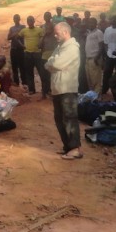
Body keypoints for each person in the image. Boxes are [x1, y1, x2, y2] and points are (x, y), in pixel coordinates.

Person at [46, 21, 82, 159]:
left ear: (66, 32)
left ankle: (75, 148)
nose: (55, 35)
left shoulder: (72, 48)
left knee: (69, 119)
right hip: (58, 88)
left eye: (57, 33)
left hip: (67, 88)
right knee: (60, 119)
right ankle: (68, 147)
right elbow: (49, 62)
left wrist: (52, 62)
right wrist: (52, 62)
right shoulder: (61, 46)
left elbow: (55, 63)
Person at [100, 14, 116, 98]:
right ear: (110, 20)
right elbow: (105, 42)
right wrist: (107, 51)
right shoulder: (107, 30)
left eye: (115, 19)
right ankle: (104, 89)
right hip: (109, 55)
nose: (113, 21)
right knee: (107, 72)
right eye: (111, 19)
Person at [19, 15, 44, 95]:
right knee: (29, 73)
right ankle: (31, 90)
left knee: (41, 72)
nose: (30, 22)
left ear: (34, 21)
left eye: (31, 21)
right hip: (27, 54)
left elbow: (43, 38)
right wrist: (22, 45)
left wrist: (41, 47)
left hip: (37, 54)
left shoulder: (39, 30)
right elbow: (17, 37)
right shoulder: (24, 31)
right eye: (28, 21)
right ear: (27, 22)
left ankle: (44, 90)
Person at [83, 17, 104, 92]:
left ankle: (97, 98)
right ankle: (92, 97)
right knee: (90, 80)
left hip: (95, 59)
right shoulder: (89, 33)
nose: (90, 24)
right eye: (89, 23)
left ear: (96, 24)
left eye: (92, 23)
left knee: (96, 80)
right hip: (88, 59)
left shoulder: (99, 32)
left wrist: (97, 58)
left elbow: (102, 46)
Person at [39, 12, 56, 99]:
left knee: (52, 74)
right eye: (45, 16)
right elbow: (40, 42)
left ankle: (52, 92)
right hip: (45, 53)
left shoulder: (54, 26)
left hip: (53, 52)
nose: (46, 17)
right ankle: (44, 92)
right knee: (44, 74)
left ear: (50, 17)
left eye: (48, 16)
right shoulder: (42, 27)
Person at [6, 14, 25, 87]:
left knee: (22, 66)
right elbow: (8, 37)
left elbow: (22, 35)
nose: (16, 19)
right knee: (14, 67)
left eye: (17, 18)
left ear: (19, 19)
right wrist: (15, 34)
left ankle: (24, 82)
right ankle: (16, 82)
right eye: (15, 18)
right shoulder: (12, 28)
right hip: (13, 49)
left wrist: (14, 35)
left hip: (21, 49)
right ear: (13, 20)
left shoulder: (23, 27)